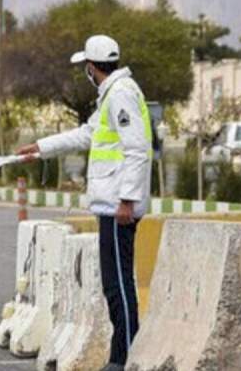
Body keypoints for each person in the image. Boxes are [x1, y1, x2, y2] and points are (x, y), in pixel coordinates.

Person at [16, 34, 152, 371]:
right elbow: (86, 134)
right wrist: (41, 147)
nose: (86, 74)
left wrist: (127, 201)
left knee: (119, 285)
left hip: (118, 208)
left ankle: (124, 358)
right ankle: (121, 356)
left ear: (92, 68)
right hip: (111, 205)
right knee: (113, 285)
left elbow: (136, 149)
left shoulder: (120, 94)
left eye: (86, 68)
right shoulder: (112, 96)